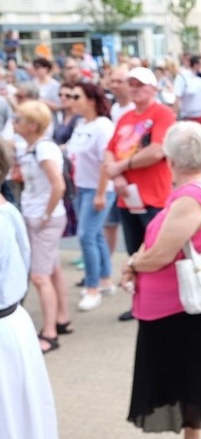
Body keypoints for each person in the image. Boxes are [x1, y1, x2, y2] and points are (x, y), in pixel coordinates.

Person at [123, 122, 201, 439]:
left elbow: (161, 255)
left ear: (170, 158)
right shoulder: (191, 190)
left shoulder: (191, 196)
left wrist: (133, 263)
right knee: (184, 376)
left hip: (185, 305)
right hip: (173, 306)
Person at [0, 141, 61, 439]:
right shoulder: (10, 213)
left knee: (13, 434)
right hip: (12, 329)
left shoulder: (8, 215)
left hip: (7, 332)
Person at [104, 67, 176, 322]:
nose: (135, 88)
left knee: (157, 253)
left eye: (141, 84)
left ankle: (161, 302)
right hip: (128, 197)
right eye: (131, 83)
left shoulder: (162, 114)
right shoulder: (125, 118)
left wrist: (121, 167)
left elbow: (157, 151)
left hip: (154, 196)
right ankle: (140, 302)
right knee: (134, 253)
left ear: (153, 89)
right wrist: (119, 176)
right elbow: (109, 150)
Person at [16, 100, 71, 353]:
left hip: (43, 219)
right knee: (52, 270)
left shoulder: (43, 149)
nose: (15, 124)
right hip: (38, 216)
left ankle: (49, 332)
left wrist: (45, 216)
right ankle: (61, 318)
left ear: (32, 125)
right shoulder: (34, 148)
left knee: (40, 276)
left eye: (19, 120)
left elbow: (58, 185)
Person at [66, 82, 117, 311]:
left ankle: (93, 287)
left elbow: (107, 162)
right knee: (94, 236)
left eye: (76, 96)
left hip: (98, 188)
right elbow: (71, 150)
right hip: (81, 187)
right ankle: (105, 279)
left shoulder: (103, 126)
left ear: (91, 100)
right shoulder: (80, 124)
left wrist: (100, 193)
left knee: (86, 237)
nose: (71, 100)